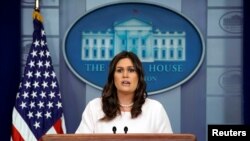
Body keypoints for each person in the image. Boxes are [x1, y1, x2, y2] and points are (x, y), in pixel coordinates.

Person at [75, 51, 173, 133]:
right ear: (113, 78)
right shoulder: (94, 107)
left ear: (139, 77)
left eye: (131, 70)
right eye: (119, 70)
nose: (125, 75)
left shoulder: (155, 109)